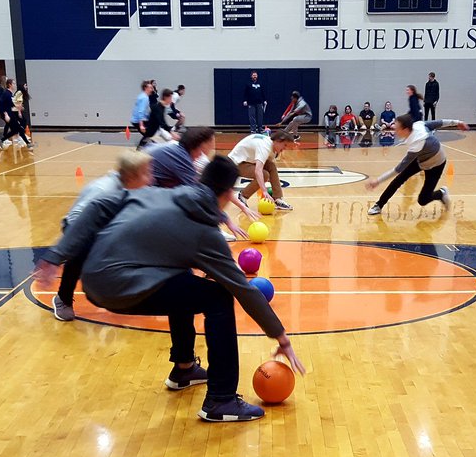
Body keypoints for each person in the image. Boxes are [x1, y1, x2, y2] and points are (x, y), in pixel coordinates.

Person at [40, 156, 305, 422]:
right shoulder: (206, 235)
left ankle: (184, 368)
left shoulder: (161, 194)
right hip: (121, 286)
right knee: (220, 297)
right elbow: (242, 289)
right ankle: (221, 400)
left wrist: (57, 254)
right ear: (227, 194)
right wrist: (281, 337)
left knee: (184, 278)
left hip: (93, 277)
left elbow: (99, 205)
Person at [51, 152, 155, 321]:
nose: (150, 178)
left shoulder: (133, 185)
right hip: (78, 226)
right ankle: (63, 299)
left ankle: (129, 294)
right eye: (145, 173)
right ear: (131, 175)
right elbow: (78, 222)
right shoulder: (104, 190)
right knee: (80, 255)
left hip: (108, 226)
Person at [150, 126, 254, 235]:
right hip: (148, 197)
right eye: (211, 142)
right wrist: (226, 221)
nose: (212, 147)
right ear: (201, 144)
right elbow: (200, 195)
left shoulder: (179, 151)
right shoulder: (181, 157)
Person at [365, 115, 469, 215]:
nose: (394, 129)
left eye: (397, 128)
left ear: (405, 130)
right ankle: (379, 205)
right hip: (421, 158)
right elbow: (440, 122)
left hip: (436, 164)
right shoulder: (418, 125)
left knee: (423, 200)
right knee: (398, 180)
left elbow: (398, 169)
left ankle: (441, 193)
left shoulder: (417, 143)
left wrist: (378, 181)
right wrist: (458, 123)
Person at [229, 130, 294, 210]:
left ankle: (277, 199)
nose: (285, 148)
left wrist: (272, 180)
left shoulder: (271, 145)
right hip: (235, 165)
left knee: (271, 166)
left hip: (248, 160)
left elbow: (269, 168)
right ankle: (242, 196)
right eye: (284, 145)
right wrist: (264, 191)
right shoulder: (265, 147)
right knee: (264, 175)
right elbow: (258, 170)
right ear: (278, 141)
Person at [0, 78, 33, 150]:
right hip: (8, 114)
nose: (15, 85)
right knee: (18, 128)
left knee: (16, 130)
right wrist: (5, 114)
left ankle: (1, 140)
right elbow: (1, 104)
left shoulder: (10, 94)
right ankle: (28, 144)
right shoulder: (6, 93)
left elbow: (11, 104)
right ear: (9, 85)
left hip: (11, 113)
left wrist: (18, 107)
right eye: (13, 84)